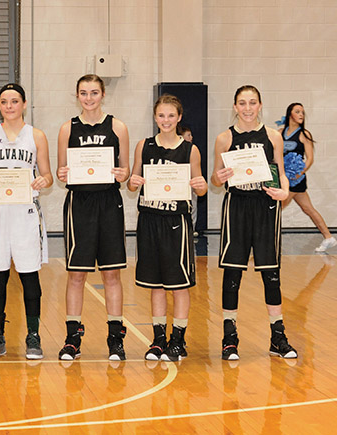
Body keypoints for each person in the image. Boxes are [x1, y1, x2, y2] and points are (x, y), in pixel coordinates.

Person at [211, 85, 297, 360]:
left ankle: (278, 336)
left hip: (266, 207)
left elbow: (281, 174)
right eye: (242, 103)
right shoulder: (224, 138)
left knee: (271, 275)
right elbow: (214, 178)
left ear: (260, 105)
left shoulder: (272, 136)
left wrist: (284, 191)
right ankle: (229, 338)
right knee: (232, 274)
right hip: (237, 206)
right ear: (234, 107)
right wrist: (219, 178)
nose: (247, 108)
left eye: (252, 103)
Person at [0, 83, 53, 360]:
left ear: (24, 104)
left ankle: (33, 335)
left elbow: (48, 175)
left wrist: (44, 179)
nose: (9, 106)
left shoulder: (36, 136)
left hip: (25, 214)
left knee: (30, 276)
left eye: (14, 101)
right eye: (4, 101)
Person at [56, 74, 130, 361]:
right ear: (77, 96)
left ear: (102, 95)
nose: (89, 98)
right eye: (84, 93)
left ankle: (115, 337)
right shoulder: (67, 129)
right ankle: (73, 337)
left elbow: (124, 170)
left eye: (94, 93)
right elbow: (62, 171)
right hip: (79, 204)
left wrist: (122, 174)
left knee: (112, 273)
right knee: (76, 274)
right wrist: (63, 173)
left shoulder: (118, 127)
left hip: (109, 203)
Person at [127, 95, 207, 362]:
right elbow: (131, 185)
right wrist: (133, 181)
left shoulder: (189, 149)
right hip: (149, 219)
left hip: (177, 222)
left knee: (179, 284)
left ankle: (178, 340)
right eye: (161, 115)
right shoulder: (144, 146)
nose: (166, 120)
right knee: (156, 284)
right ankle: (158, 339)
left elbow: (202, 186)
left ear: (179, 117)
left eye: (171, 116)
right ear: (155, 117)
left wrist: (201, 186)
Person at [278, 103, 335, 252]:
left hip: (296, 179)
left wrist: (299, 173)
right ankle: (328, 237)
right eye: (297, 112)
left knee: (277, 209)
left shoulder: (304, 134)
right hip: (284, 178)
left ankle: (265, 243)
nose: (301, 114)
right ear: (290, 114)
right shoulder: (280, 132)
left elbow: (309, 159)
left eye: (303, 112)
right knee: (308, 208)